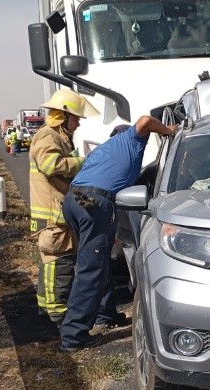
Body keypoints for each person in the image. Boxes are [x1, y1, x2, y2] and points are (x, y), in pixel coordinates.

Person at [60, 116, 178, 352]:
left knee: (97, 260)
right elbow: (145, 121)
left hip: (74, 201)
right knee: (90, 270)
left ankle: (106, 314)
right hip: (94, 204)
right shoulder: (132, 139)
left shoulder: (104, 150)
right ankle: (73, 337)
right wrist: (168, 129)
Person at [29, 89, 97, 327]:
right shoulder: (48, 136)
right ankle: (58, 315)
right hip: (52, 215)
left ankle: (46, 311)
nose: (78, 123)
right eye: (75, 118)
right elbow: (51, 165)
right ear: (63, 116)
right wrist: (83, 162)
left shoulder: (58, 136)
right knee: (61, 262)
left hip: (54, 214)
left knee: (52, 262)